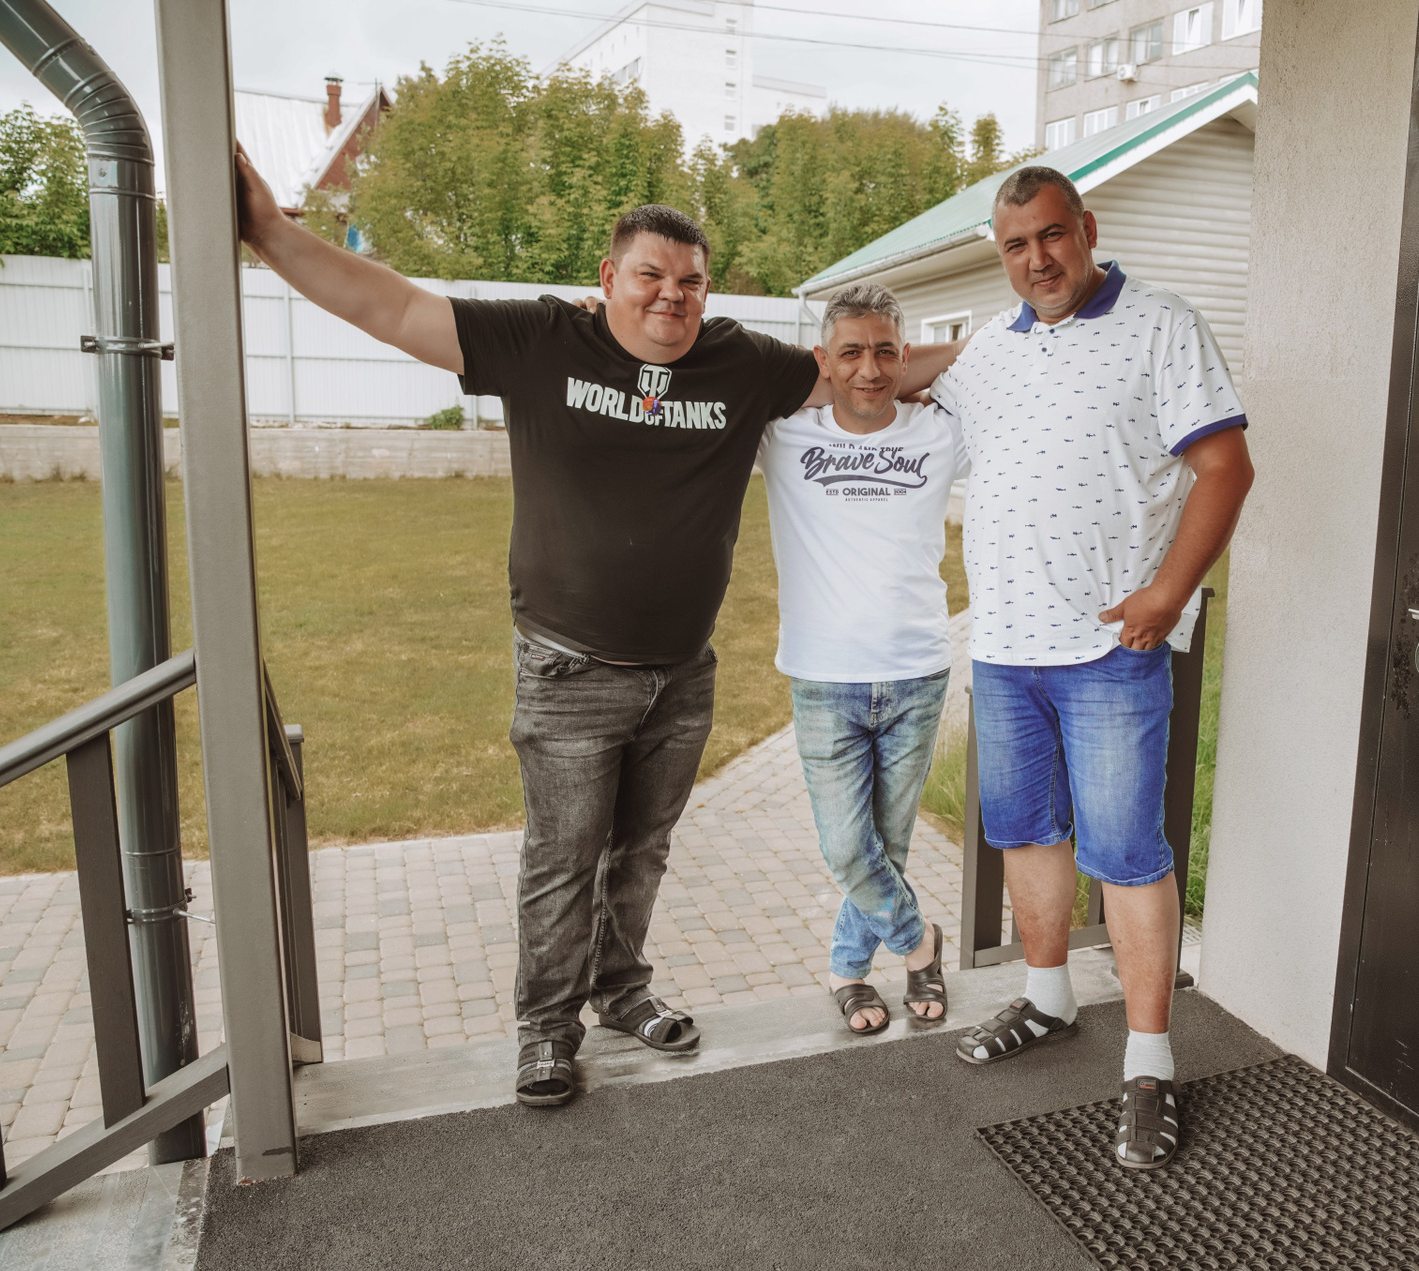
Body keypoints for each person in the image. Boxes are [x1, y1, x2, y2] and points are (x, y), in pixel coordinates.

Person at [231, 147, 961, 1108]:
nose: (671, 296)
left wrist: (1005, 347)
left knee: (641, 853)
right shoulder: (543, 341)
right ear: (609, 276)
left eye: (690, 282)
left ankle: (622, 992)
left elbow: (866, 375)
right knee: (562, 858)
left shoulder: (743, 362)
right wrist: (270, 231)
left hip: (682, 674)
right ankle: (545, 1029)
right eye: (651, 276)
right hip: (569, 671)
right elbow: (395, 308)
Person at [930, 167, 1254, 1170]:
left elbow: (1225, 467)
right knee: (1027, 833)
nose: (1038, 259)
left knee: (1127, 854)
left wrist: (1169, 592)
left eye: (1052, 235)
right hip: (1005, 647)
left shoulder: (1162, 325)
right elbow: (886, 374)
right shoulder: (991, 345)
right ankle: (1046, 999)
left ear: (1087, 229)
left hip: (1112, 650)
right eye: (1016, 245)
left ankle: (1149, 1063)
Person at [756, 283, 966, 1035]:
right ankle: (920, 943)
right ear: (823, 359)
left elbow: (993, 362)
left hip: (917, 670)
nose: (869, 370)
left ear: (907, 357)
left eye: (885, 352)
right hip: (823, 676)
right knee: (849, 847)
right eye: (850, 352)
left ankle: (848, 969)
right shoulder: (781, 431)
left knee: (889, 843)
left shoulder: (942, 431)